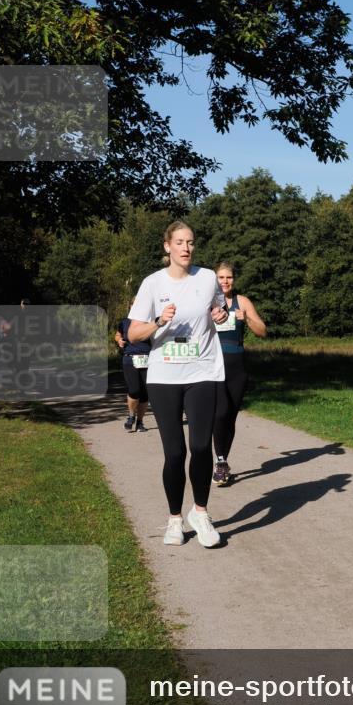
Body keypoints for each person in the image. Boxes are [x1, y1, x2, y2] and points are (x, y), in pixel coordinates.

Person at [127, 221, 229, 548]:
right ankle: (174, 519)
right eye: (180, 242)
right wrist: (159, 321)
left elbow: (220, 309)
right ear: (167, 246)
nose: (186, 248)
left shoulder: (208, 277)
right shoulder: (152, 284)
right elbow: (133, 334)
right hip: (164, 376)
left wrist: (221, 315)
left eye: (191, 242)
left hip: (202, 372)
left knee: (201, 447)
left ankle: (200, 512)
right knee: (175, 452)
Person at [212, 261, 267, 486]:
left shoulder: (241, 302)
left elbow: (262, 331)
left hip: (237, 367)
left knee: (231, 416)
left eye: (229, 277)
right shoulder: (207, 303)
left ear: (234, 280)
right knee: (220, 412)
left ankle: (223, 461)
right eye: (221, 277)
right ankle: (221, 461)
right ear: (215, 280)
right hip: (214, 366)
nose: (225, 281)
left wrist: (247, 318)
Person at [115, 314, 151, 432]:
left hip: (148, 359)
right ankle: (131, 416)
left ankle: (140, 422)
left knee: (145, 393)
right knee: (134, 390)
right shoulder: (125, 322)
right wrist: (119, 340)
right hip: (130, 359)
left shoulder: (150, 321)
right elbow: (118, 335)